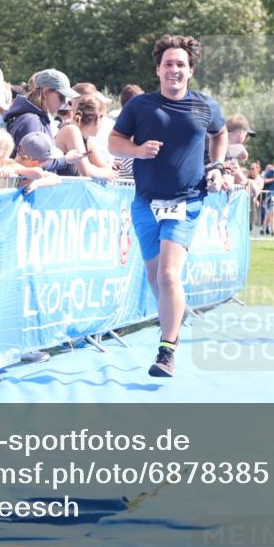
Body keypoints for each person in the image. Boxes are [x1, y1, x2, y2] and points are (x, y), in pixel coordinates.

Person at [108, 34, 229, 377]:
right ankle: (175, 316)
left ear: (190, 71)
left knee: (168, 274)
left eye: (180, 64)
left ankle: (166, 352)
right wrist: (137, 150)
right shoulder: (140, 106)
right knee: (156, 279)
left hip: (186, 201)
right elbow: (114, 141)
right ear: (158, 69)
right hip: (145, 203)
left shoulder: (205, 106)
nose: (174, 69)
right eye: (168, 64)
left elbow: (219, 134)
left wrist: (217, 166)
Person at [4, 68, 79, 156]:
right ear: (46, 92)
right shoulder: (31, 121)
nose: (64, 103)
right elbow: (33, 163)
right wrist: (66, 160)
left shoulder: (34, 118)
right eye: (62, 97)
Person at [54, 94, 119, 180]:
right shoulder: (71, 130)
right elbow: (86, 171)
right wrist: (107, 173)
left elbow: (102, 166)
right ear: (99, 118)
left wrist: (111, 168)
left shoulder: (87, 138)